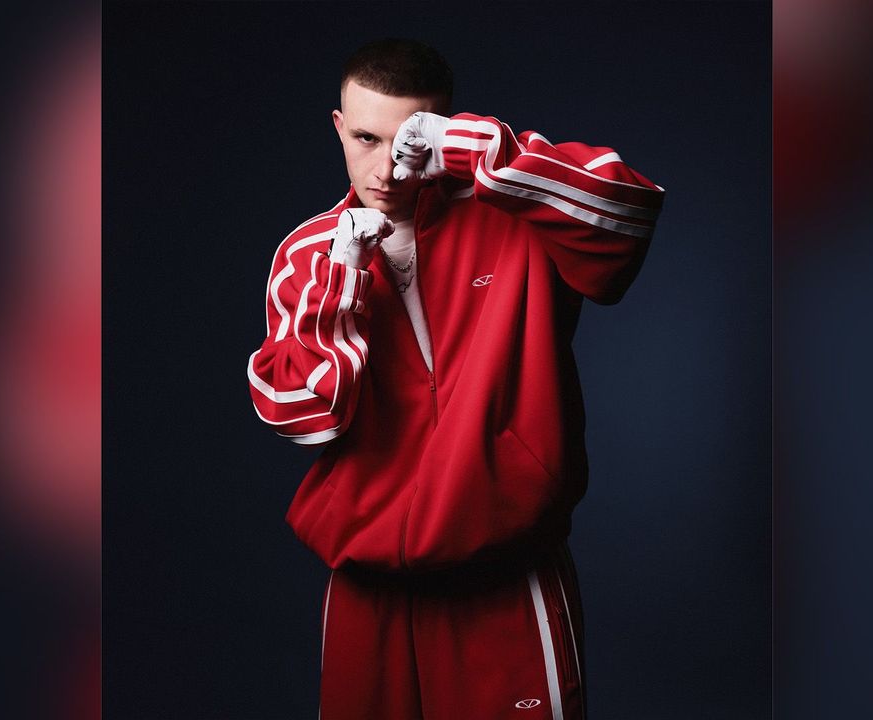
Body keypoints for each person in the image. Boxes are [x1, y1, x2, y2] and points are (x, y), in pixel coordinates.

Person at [246, 38, 664, 720]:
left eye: (406, 141)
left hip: (506, 573)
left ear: (439, 128)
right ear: (338, 127)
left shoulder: (513, 213)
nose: (386, 168)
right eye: (365, 138)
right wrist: (343, 282)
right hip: (369, 588)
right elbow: (303, 414)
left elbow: (629, 216)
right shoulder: (308, 254)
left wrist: (476, 151)